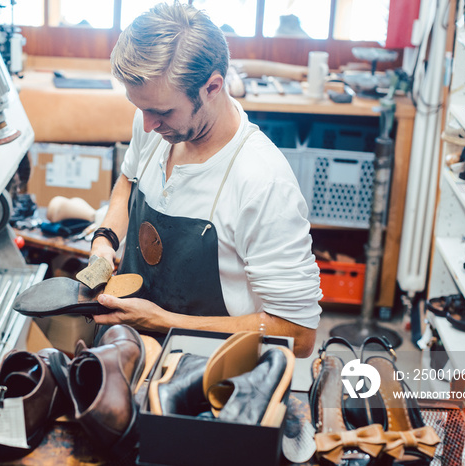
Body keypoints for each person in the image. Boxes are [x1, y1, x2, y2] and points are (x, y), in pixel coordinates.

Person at [90, 1, 322, 357]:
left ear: (212, 87)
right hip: (130, 349)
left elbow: (300, 333)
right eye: (141, 108)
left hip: (211, 374)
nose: (148, 124)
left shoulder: (263, 183)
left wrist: (164, 321)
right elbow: (128, 182)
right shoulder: (153, 127)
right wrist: (104, 242)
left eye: (162, 111)